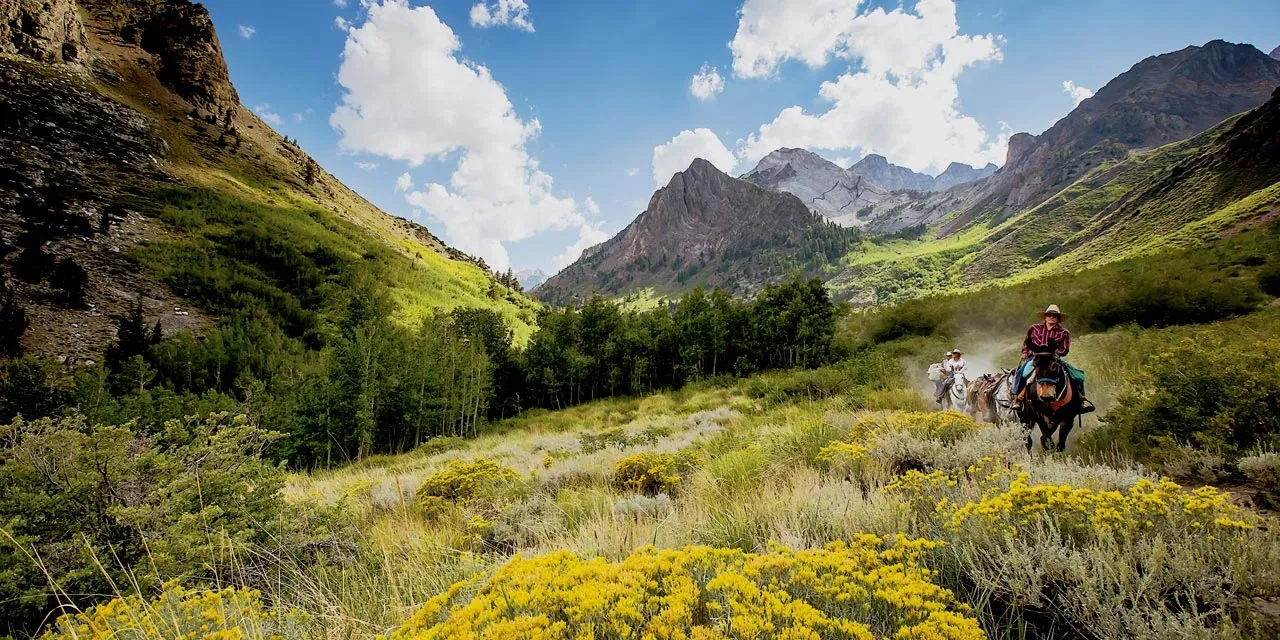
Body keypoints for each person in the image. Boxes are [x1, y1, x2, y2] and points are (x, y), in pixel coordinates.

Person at [1010, 305, 1093, 412]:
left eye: (1054, 315)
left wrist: (1051, 353)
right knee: (1021, 372)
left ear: (1058, 318)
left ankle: (1081, 400)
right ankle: (1017, 398)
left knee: (1077, 375)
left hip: (1053, 358)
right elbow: (1026, 343)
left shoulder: (1064, 332)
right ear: (1045, 317)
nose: (1051, 317)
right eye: (1049, 315)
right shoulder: (1034, 328)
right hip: (1036, 358)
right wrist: (1025, 353)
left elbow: (1065, 349)